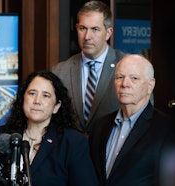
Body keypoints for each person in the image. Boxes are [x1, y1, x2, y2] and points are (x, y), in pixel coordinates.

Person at [0, 71, 98, 186]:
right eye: (32, 93)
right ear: (23, 99)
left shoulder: (72, 142)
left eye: (46, 95)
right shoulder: (4, 134)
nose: (37, 101)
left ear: (56, 106)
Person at [89, 54, 173, 186]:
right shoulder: (100, 126)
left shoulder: (168, 129)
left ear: (150, 85)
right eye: (120, 77)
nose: (124, 84)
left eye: (134, 78)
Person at [52, 0, 124, 135]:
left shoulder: (126, 66)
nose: (87, 37)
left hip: (111, 152)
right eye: (83, 28)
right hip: (72, 153)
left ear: (108, 33)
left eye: (95, 29)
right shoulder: (60, 72)